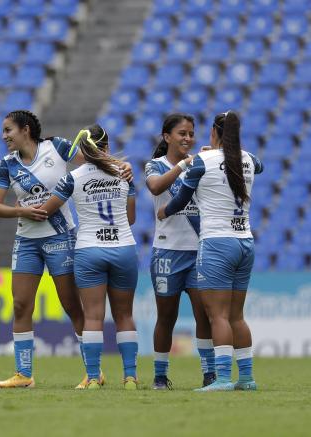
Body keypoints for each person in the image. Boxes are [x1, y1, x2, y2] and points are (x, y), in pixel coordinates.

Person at [158, 111, 263, 392]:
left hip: (217, 243)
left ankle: (223, 379)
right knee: (236, 316)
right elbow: (259, 165)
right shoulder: (249, 159)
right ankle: (247, 378)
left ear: (214, 133)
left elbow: (180, 200)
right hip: (245, 241)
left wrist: (163, 210)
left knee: (217, 316)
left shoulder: (203, 161)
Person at [0, 110, 89, 389]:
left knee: (71, 305)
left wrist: (119, 167)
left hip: (60, 236)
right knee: (21, 305)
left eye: (8, 130)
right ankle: (24, 374)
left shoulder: (56, 146)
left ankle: (93, 372)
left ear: (25, 129)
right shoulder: (6, 164)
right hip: (26, 241)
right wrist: (21, 211)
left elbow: (90, 164)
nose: (4, 136)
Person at [40, 124, 139, 390]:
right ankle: (130, 377)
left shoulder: (74, 177)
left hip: (89, 249)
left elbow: (46, 210)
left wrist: (22, 208)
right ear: (106, 146)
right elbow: (131, 218)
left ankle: (93, 377)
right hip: (123, 248)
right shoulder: (125, 173)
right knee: (125, 315)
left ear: (82, 150)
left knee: (93, 316)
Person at [145, 114, 215, 390]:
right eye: (182, 134)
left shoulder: (202, 164)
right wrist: (185, 164)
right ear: (167, 137)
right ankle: (160, 376)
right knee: (166, 317)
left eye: (191, 134)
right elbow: (155, 186)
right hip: (167, 252)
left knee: (204, 315)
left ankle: (209, 374)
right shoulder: (155, 165)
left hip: (198, 252)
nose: (188, 139)